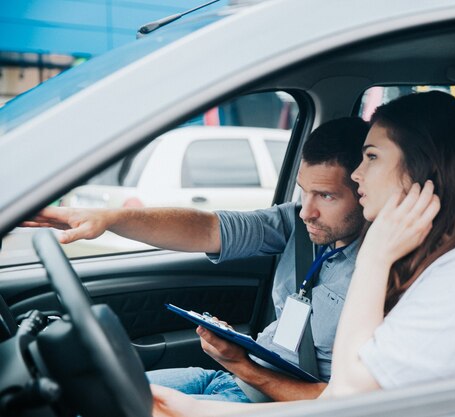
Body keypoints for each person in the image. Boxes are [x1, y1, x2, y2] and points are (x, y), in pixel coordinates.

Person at [150, 91, 455, 416]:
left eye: (372, 157)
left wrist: (375, 256)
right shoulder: (432, 263)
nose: (359, 173)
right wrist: (197, 409)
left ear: (422, 169)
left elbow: (348, 399)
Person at [23, 117, 369, 402]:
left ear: (366, 190)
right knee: (83, 399)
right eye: (303, 191)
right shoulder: (294, 223)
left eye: (326, 195)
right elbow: (206, 228)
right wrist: (109, 219)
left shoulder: (387, 274)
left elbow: (336, 401)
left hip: (272, 401)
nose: (306, 211)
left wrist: (242, 364)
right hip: (227, 378)